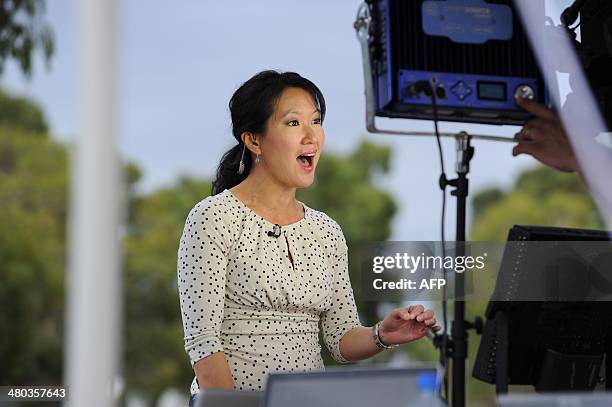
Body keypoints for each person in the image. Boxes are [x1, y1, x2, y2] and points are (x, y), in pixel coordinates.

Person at [177, 70, 441, 405]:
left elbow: (339, 339)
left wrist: (381, 335)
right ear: (253, 140)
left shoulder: (326, 231)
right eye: (293, 123)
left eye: (316, 121)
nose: (311, 136)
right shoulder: (213, 216)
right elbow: (204, 342)